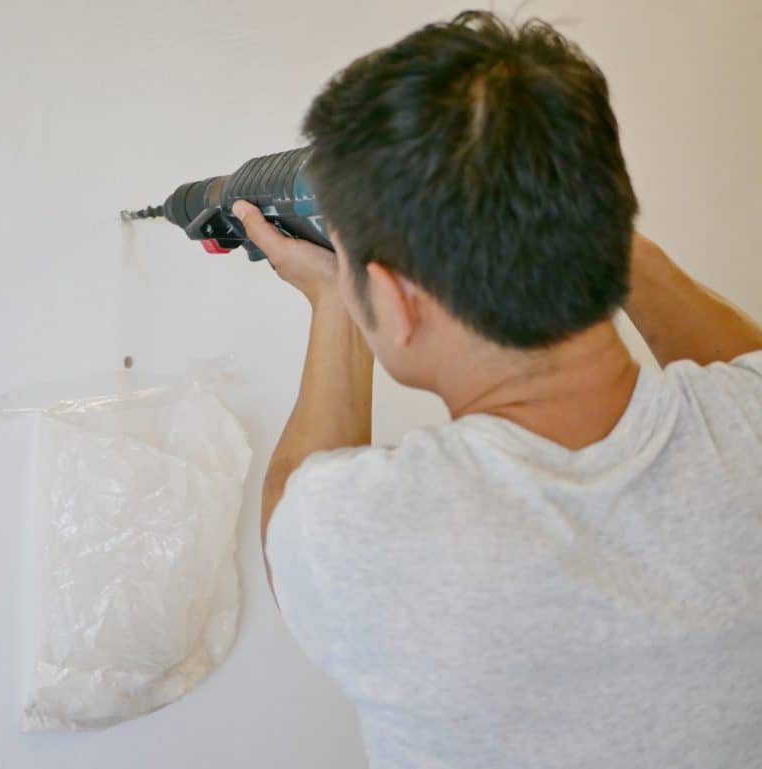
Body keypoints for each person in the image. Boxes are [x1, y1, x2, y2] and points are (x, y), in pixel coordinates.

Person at [231, 10, 762, 769]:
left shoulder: (375, 535)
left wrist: (332, 302)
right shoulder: (747, 436)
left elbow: (292, 510)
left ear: (397, 299)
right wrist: (580, 224)